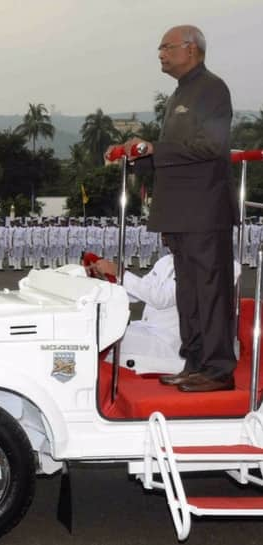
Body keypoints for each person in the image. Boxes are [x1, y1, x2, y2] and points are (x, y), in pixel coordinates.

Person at [111, 25, 237, 393]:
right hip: (181, 211)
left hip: (204, 209)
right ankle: (195, 362)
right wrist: (135, 159)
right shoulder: (180, 94)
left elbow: (211, 147)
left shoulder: (212, 89)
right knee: (190, 294)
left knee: (210, 292)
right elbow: (176, 155)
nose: (161, 53)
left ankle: (218, 370)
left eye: (167, 47)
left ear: (191, 49)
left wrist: (154, 149)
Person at [89, 250, 241, 376]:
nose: (163, 237)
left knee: (99, 337)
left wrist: (120, 273)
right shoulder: (165, 261)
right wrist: (106, 281)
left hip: (171, 340)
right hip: (148, 329)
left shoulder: (212, 265)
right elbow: (140, 292)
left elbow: (162, 299)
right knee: (97, 330)